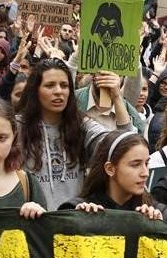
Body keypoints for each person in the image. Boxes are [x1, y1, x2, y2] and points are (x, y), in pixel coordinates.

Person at [19, 59, 132, 210]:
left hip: (75, 223)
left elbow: (125, 147)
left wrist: (117, 97)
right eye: (50, 85)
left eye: (64, 85)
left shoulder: (82, 125)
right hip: (35, 225)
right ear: (35, 90)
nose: (59, 91)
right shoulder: (17, 128)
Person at [59, 130, 164, 219]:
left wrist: (159, 227)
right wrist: (78, 222)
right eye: (135, 165)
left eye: (146, 163)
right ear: (110, 168)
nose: (145, 173)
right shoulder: (79, 209)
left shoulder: (157, 212)